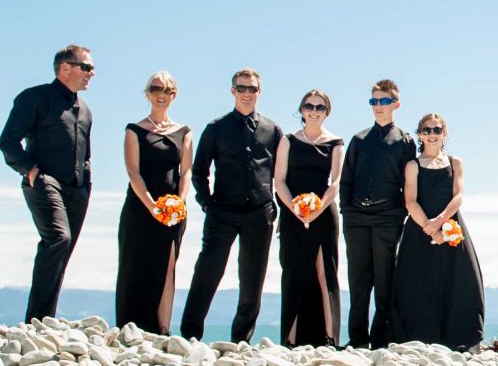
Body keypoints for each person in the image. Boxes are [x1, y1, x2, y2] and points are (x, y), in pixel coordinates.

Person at [181, 69, 282, 342]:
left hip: (260, 214)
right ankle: (189, 333)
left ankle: (241, 340)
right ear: (233, 91)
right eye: (242, 88)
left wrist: (277, 209)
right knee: (207, 272)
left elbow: (281, 174)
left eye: (252, 89)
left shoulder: (272, 130)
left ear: (259, 92)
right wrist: (206, 203)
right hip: (222, 211)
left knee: (252, 279)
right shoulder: (216, 128)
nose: (247, 93)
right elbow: (199, 170)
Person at [0, 44, 96, 322]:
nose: (92, 73)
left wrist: (86, 183)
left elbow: (85, 153)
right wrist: (31, 173)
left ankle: (46, 322)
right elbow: (7, 142)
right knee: (57, 239)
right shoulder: (34, 97)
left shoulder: (85, 109)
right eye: (86, 67)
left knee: (64, 251)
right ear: (65, 68)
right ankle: (36, 322)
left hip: (78, 190)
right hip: (44, 182)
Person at [391, 113, 486, 349]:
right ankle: (418, 340)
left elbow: (459, 195)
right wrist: (430, 228)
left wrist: (442, 221)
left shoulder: (456, 163)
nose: (431, 135)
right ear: (419, 134)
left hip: (452, 226)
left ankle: (461, 340)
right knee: (417, 284)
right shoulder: (412, 165)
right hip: (419, 228)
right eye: (426, 130)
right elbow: (410, 201)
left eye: (436, 130)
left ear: (444, 134)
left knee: (463, 281)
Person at [116, 71, 191, 333]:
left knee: (167, 266)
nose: (162, 94)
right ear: (148, 93)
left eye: (168, 90)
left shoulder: (184, 132)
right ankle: (129, 328)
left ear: (174, 95)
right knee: (135, 264)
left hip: (173, 211)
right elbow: (133, 172)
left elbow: (186, 172)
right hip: (141, 207)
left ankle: (161, 330)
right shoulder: (134, 130)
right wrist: (153, 206)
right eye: (156, 89)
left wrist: (178, 205)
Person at [340, 79, 414, 347]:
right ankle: (356, 340)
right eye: (374, 101)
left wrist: (399, 214)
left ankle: (380, 340)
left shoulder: (405, 141)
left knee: (384, 282)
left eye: (384, 101)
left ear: (396, 104)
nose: (378, 107)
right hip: (356, 219)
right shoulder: (359, 139)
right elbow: (346, 178)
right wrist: (346, 211)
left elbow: (409, 182)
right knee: (359, 282)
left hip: (388, 219)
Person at [274, 89, 343, 347]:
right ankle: (290, 339)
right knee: (294, 272)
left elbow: (335, 182)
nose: (314, 110)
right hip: (293, 213)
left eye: (320, 107)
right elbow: (279, 180)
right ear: (302, 109)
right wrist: (295, 208)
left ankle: (330, 338)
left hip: (324, 213)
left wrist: (317, 209)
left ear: (327, 111)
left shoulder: (335, 142)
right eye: (309, 106)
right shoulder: (288, 140)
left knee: (325, 271)